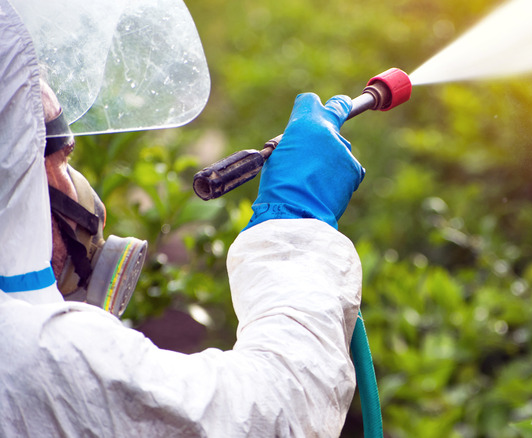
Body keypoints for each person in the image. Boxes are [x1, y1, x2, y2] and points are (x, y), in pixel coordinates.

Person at [0, 1, 366, 436]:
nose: (76, 191)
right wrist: (295, 225)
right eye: (60, 159)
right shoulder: (36, 356)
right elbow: (273, 407)